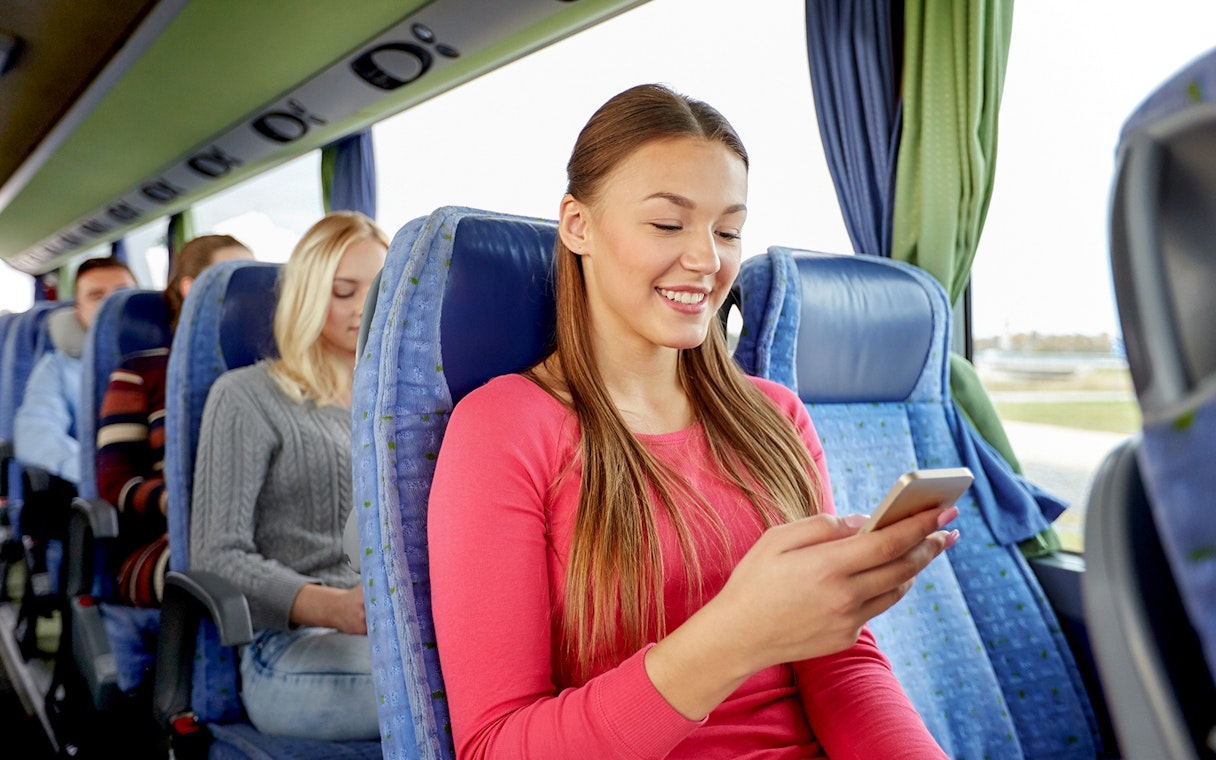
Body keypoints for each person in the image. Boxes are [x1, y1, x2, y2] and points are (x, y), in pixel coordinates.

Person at [427, 84, 959, 759]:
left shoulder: (775, 418)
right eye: (668, 224)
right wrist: (738, 634)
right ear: (578, 225)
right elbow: (495, 746)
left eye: (728, 230)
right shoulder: (506, 428)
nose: (708, 260)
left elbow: (842, 664)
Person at [190, 211, 388, 741]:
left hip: (395, 634)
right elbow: (216, 554)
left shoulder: (399, 405)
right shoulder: (247, 396)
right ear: (307, 297)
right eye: (344, 292)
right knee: (448, 692)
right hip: (289, 647)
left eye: (379, 288)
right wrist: (332, 607)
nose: (365, 307)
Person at [96, 234, 253, 610]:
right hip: (165, 542)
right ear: (191, 288)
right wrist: (177, 502)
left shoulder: (272, 373)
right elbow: (114, 482)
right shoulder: (141, 372)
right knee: (242, 582)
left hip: (258, 536)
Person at [13, 256, 135, 603]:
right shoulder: (58, 368)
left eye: (123, 293)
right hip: (94, 497)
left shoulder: (169, 361)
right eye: (97, 296)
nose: (112, 304)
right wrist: (98, 473)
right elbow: (37, 434)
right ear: (78, 311)